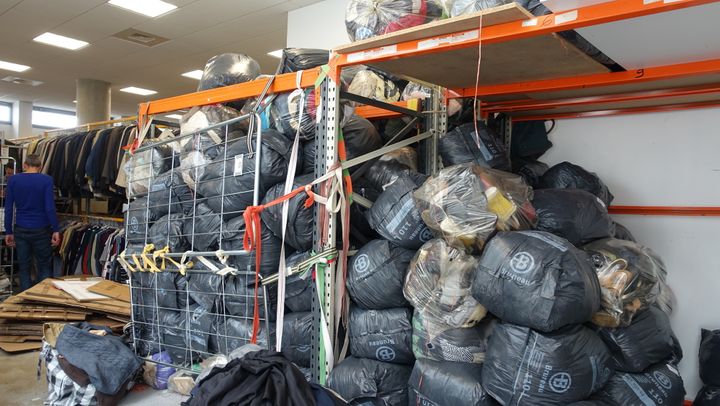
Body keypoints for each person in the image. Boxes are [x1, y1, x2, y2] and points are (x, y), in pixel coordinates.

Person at [4, 154, 60, 291]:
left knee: (24, 267)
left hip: (21, 228)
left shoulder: (13, 180)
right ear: (40, 167)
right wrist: (56, 229)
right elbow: (50, 207)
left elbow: (9, 208)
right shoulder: (46, 180)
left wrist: (8, 231)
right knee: (44, 265)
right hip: (42, 228)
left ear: (24, 165)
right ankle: (43, 299)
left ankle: (25, 301)